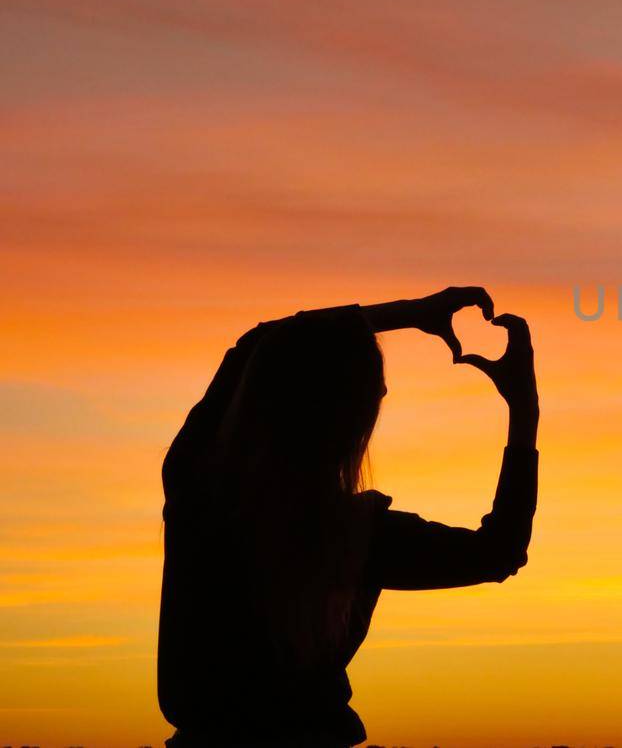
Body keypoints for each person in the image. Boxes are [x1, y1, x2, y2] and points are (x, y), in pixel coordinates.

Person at [157, 287, 539, 746]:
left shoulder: (197, 484)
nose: (384, 393)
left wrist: (408, 313)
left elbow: (257, 344)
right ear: (351, 419)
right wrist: (524, 413)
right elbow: (500, 552)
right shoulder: (359, 534)